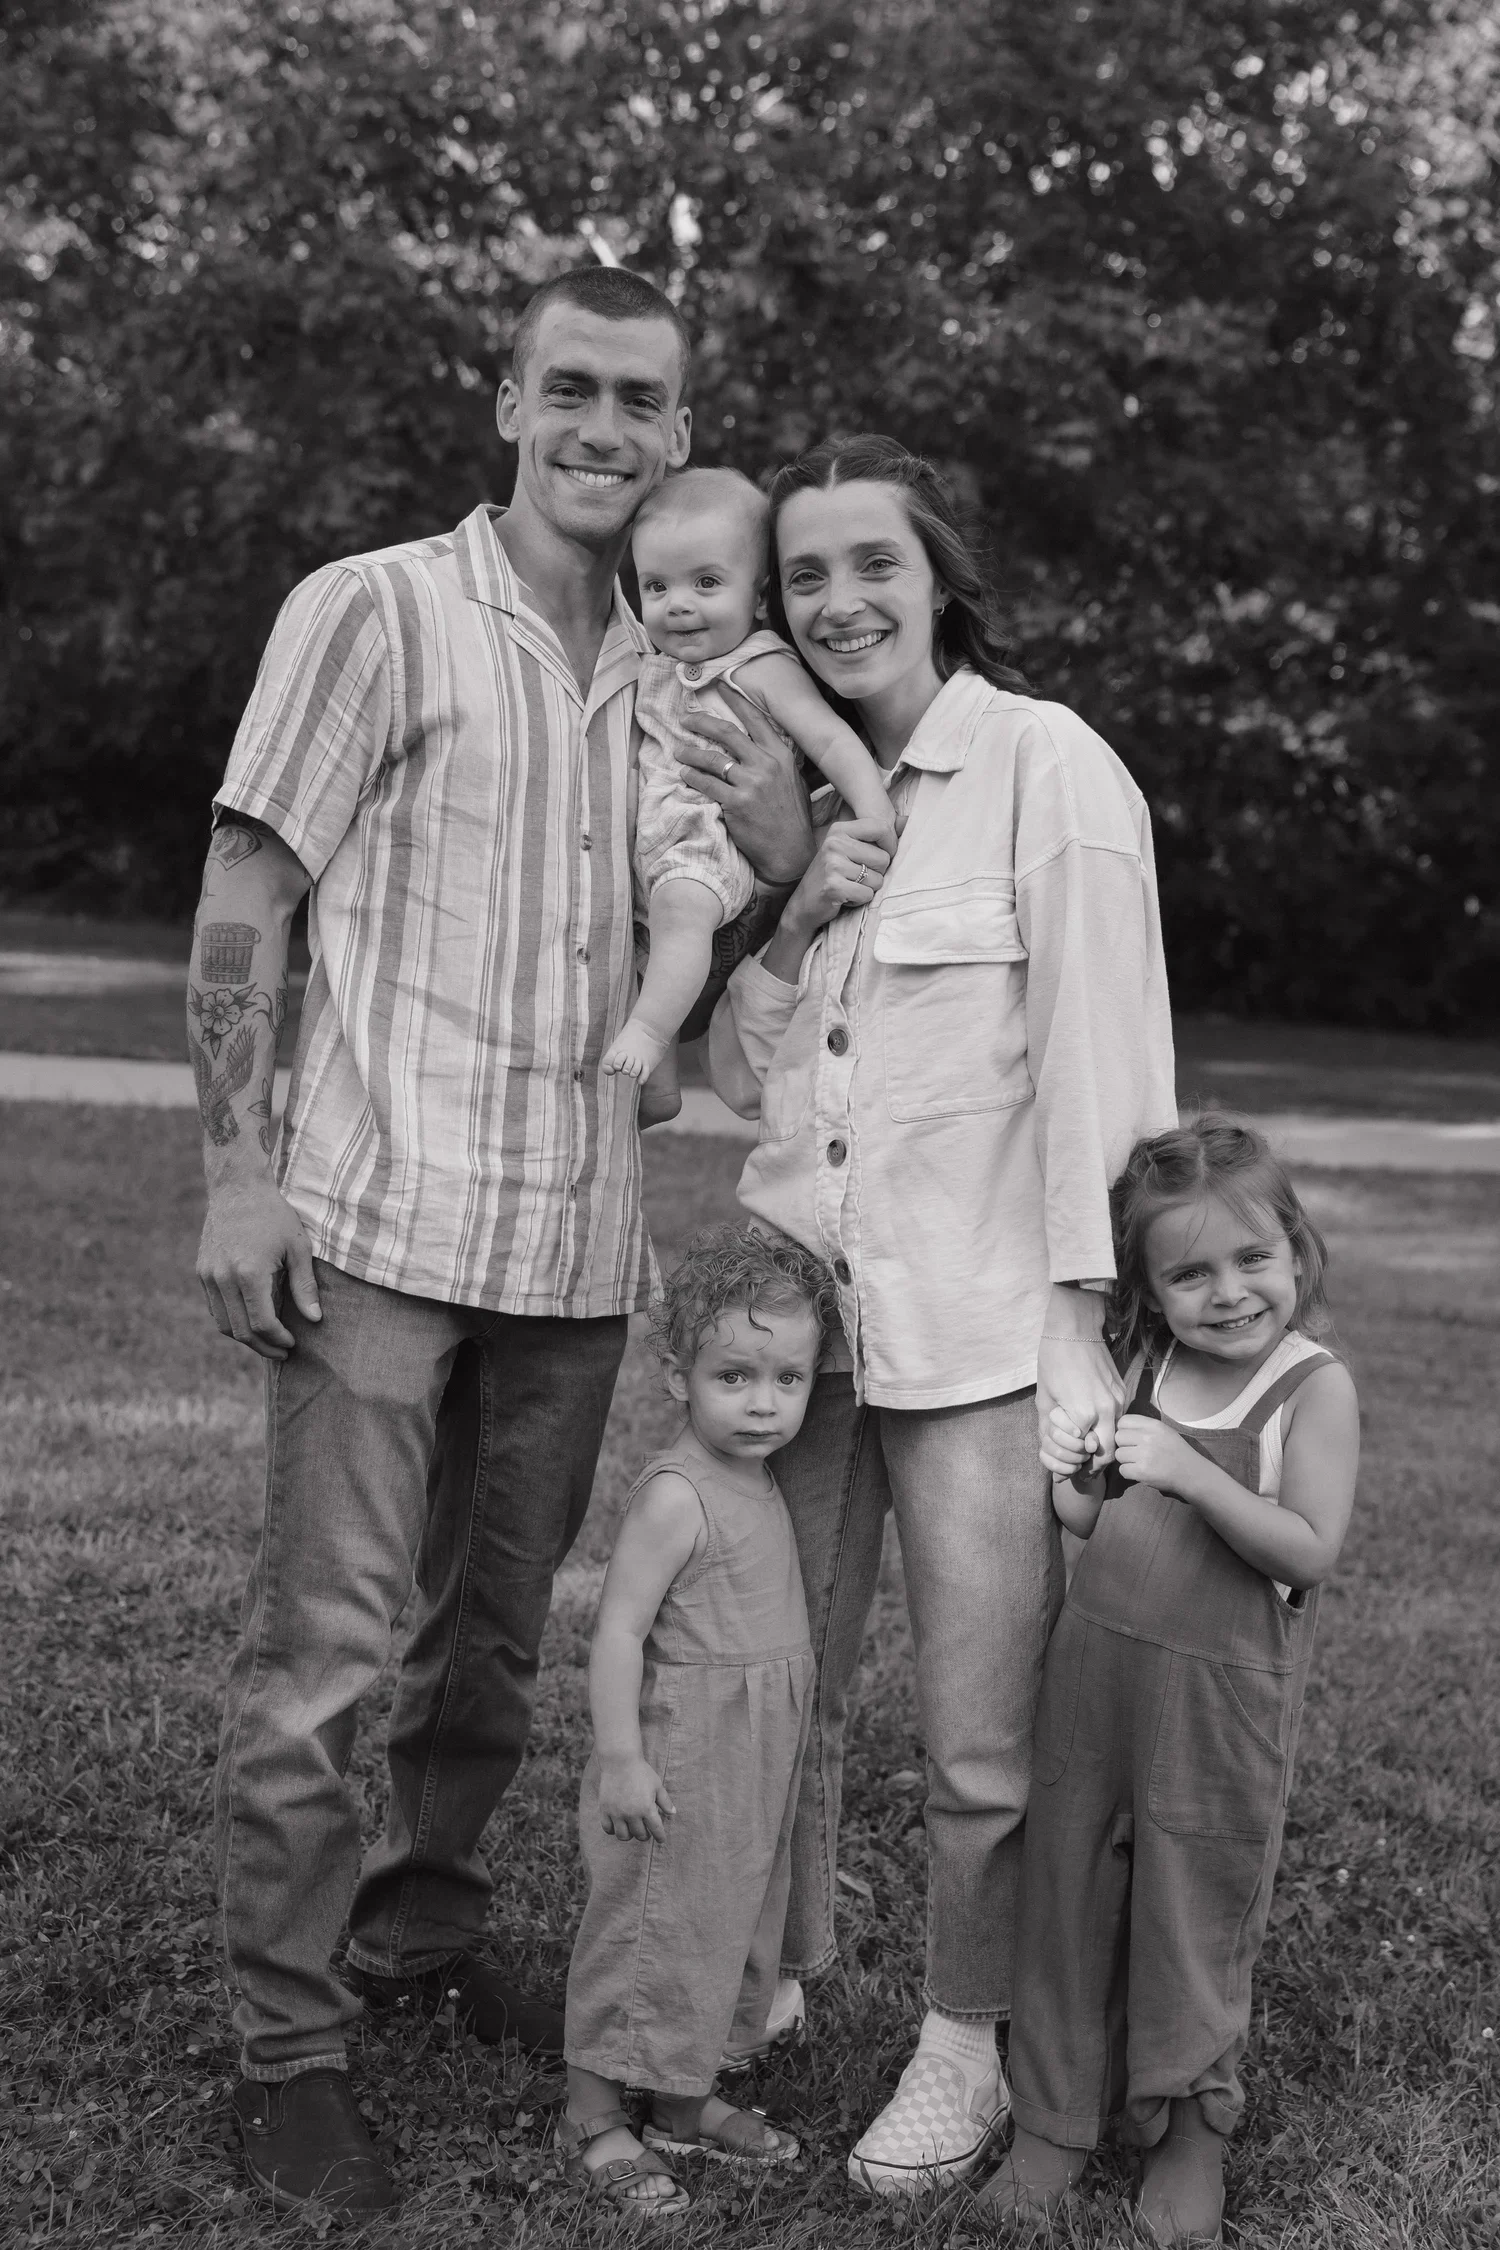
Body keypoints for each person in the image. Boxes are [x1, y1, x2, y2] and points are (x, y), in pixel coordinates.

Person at [191, 266, 812, 2219]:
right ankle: (289, 2049)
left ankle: (420, 1938)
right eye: (573, 390)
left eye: (644, 399)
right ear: (507, 399)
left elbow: (760, 892)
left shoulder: (675, 660)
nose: (605, 429)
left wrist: (770, 808)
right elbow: (244, 892)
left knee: (486, 1658)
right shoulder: (371, 608)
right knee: (327, 1662)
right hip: (376, 1221)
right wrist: (235, 1169)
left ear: (684, 432)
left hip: (568, 1249)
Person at [701, 433, 1178, 2194]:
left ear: (939, 577)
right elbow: (732, 1071)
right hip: (799, 1328)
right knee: (763, 1683)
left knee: (984, 1744)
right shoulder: (805, 802)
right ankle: (744, 1988)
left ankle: (964, 2051)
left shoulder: (1047, 766)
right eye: (803, 575)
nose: (837, 601)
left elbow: (1110, 1082)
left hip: (987, 1347)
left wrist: (1089, 1350)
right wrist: (779, 898)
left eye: (869, 564)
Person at [977, 1119, 1360, 2244]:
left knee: (1191, 1904)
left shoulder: (1310, 1389)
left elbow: (1310, 1549)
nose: (1228, 1293)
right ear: (1148, 1288)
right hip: (1095, 1677)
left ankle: (1192, 2128)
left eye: (1253, 1261)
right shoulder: (1142, 1368)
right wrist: (1080, 1474)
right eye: (1189, 1273)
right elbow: (1084, 1520)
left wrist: (1190, 1472)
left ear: (1294, 1250)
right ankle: (1052, 2120)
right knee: (1067, 1888)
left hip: (1218, 1701)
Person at [558, 1224, 833, 2216]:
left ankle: (681, 2100)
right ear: (678, 1377)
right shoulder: (680, 1495)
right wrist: (622, 1758)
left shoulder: (758, 1475)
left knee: (720, 1923)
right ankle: (592, 2112)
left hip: (749, 1758)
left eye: (787, 1380)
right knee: (649, 1927)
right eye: (734, 1376)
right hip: (678, 1756)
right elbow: (619, 1631)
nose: (763, 1402)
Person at [603, 465, 894, 1117]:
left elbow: (831, 742)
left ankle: (649, 1039)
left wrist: (873, 807)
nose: (679, 603)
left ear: (757, 596)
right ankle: (659, 1086)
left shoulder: (759, 665)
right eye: (657, 585)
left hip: (704, 848)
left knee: (680, 919)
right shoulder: (654, 666)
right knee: (623, 950)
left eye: (706, 583)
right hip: (652, 849)